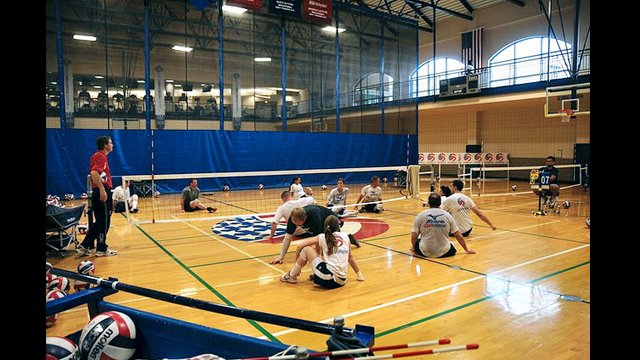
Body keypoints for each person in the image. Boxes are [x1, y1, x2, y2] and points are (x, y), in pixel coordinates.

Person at [280, 215, 365, 287]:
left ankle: (291, 275)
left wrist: (296, 264)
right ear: (338, 226)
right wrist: (359, 274)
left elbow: (300, 246)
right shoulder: (345, 236)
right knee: (323, 257)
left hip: (329, 278)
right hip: (342, 280)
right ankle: (317, 274)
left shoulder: (322, 237)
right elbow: (350, 258)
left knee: (307, 249)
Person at [269, 204, 360, 265]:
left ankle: (349, 238)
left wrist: (318, 258)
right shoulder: (292, 219)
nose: (295, 226)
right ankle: (349, 238)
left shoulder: (314, 217)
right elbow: (287, 238)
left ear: (304, 219)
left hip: (329, 218)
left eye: (298, 223)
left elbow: (318, 240)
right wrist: (281, 257)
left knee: (334, 244)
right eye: (294, 223)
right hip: (319, 219)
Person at [77, 136, 118, 257]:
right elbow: (94, 173)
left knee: (100, 221)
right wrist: (102, 190)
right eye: (110, 143)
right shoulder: (100, 156)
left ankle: (85, 245)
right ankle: (101, 249)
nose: (112, 145)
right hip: (101, 191)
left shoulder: (97, 156)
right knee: (104, 222)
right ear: (105, 145)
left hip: (99, 191)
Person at [411, 193, 475, 258]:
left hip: (425, 251)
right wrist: (467, 249)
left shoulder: (421, 215)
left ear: (428, 203)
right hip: (444, 252)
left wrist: (413, 248)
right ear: (440, 203)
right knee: (451, 246)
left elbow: (414, 236)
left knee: (418, 241)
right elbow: (458, 236)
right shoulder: (448, 216)